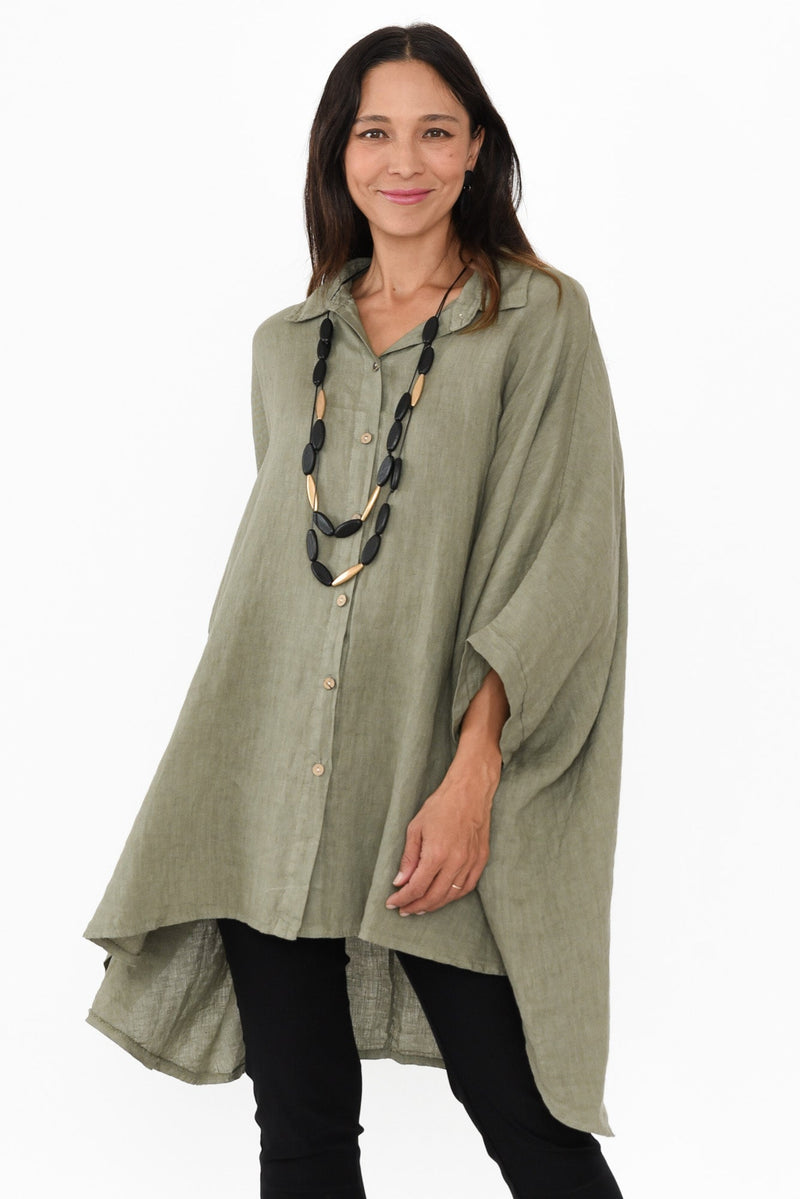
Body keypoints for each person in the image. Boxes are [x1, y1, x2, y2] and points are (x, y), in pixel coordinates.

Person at [83, 23, 627, 1199]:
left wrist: (473, 768)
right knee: (303, 1129)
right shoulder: (288, 346)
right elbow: (288, 570)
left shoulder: (537, 319)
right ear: (338, 153)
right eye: (374, 132)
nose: (404, 160)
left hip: (433, 774)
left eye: (435, 130)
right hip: (264, 778)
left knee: (527, 1118)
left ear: (475, 149)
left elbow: (563, 558)